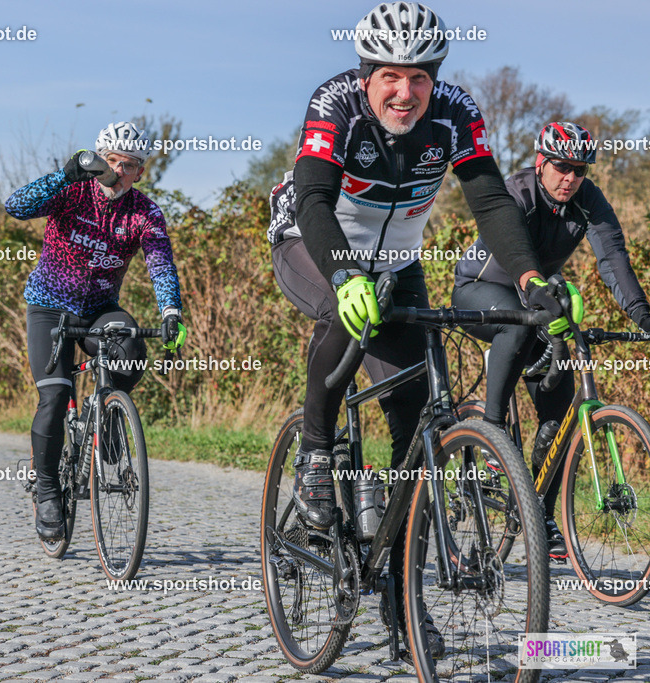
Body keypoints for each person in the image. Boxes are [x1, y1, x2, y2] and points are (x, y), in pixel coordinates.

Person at [267, 2, 572, 657]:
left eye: (420, 78)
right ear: (367, 73)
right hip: (312, 243)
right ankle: (317, 455)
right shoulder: (336, 102)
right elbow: (314, 196)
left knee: (416, 431)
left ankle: (401, 609)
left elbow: (489, 199)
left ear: (435, 77)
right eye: (391, 77)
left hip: (397, 263)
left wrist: (528, 281)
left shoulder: (456, 113)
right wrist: (345, 272)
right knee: (339, 316)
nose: (405, 92)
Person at [453, 121, 650, 560]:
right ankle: (491, 434)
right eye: (562, 167)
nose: (571, 178)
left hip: (539, 296)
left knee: (559, 402)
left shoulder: (587, 199)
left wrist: (642, 314)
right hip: (481, 291)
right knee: (522, 326)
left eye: (580, 169)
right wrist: (543, 296)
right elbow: (517, 256)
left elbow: (613, 258)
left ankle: (539, 511)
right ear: (541, 162)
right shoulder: (518, 193)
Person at [5, 121, 185, 542]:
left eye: (130, 166)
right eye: (112, 162)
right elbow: (16, 205)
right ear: (101, 159)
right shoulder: (72, 191)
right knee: (53, 396)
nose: (118, 172)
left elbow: (160, 263)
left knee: (131, 347)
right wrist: (64, 174)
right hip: (50, 308)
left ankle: (108, 419)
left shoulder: (144, 211)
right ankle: (48, 492)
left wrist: (171, 310)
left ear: (140, 172)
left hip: (99, 310)